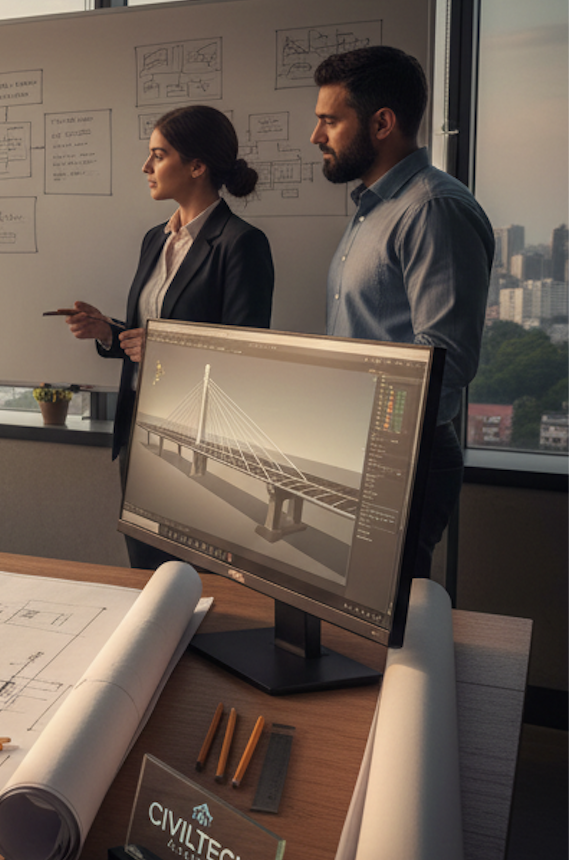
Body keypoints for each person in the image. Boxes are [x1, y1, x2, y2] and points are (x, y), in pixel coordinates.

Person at [62, 105, 274, 570]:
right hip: (140, 433)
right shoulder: (154, 240)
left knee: (196, 580)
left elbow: (246, 354)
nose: (145, 166)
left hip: (199, 445)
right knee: (147, 573)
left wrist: (164, 351)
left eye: (158, 155)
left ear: (197, 166)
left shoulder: (241, 243)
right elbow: (149, 337)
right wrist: (109, 332)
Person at [310, 45, 493, 578]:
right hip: (358, 446)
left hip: (404, 456)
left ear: (382, 123)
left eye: (329, 121)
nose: (316, 136)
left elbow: (447, 358)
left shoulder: (433, 209)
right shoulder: (374, 210)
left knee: (386, 613)